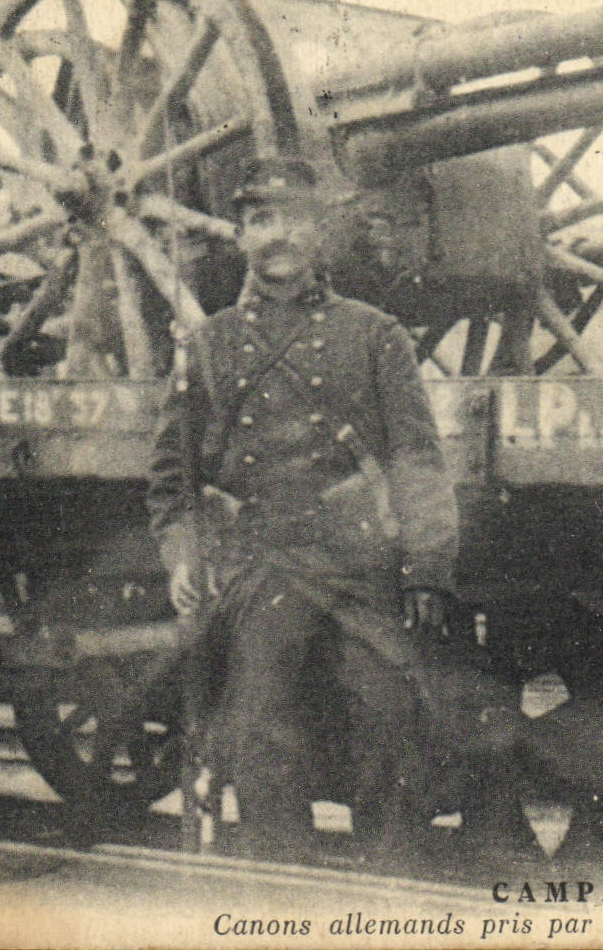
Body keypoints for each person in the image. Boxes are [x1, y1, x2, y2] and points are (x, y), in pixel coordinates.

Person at [146, 156, 459, 865]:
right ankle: (280, 910)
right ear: (240, 237)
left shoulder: (376, 337)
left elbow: (418, 461)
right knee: (259, 737)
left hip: (360, 575)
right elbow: (172, 479)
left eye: (293, 219)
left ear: (321, 233)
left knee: (390, 721)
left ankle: (385, 905)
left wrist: (428, 568)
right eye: (261, 221)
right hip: (262, 575)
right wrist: (182, 556)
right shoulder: (209, 346)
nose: (277, 236)